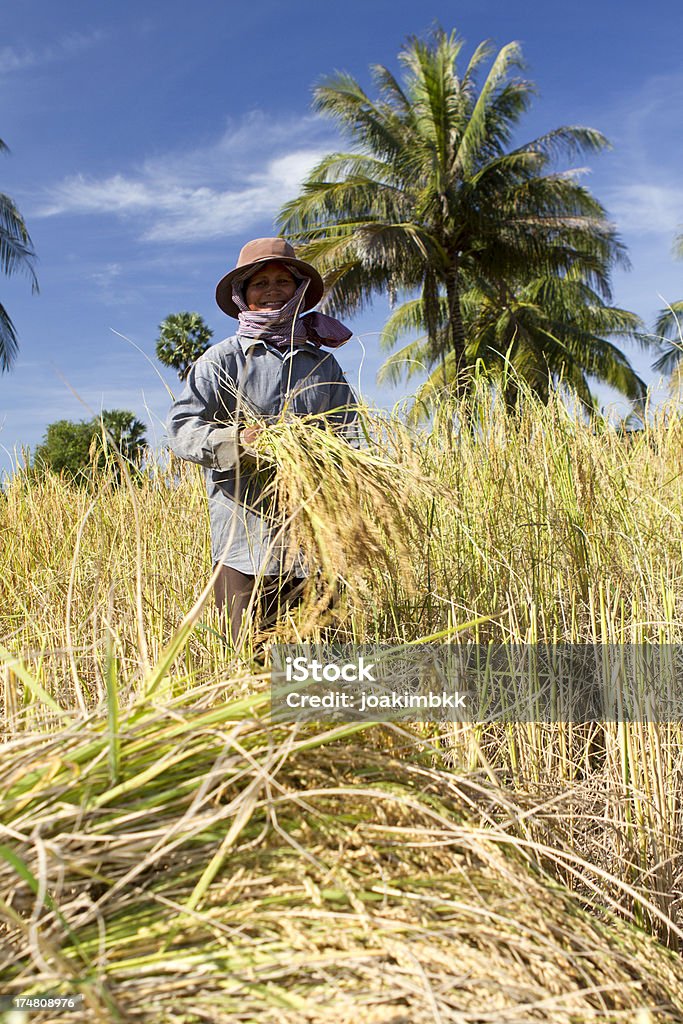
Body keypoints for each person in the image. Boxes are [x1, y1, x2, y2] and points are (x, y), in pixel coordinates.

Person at [166, 237, 357, 647]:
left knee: (320, 656)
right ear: (243, 296)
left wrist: (336, 462)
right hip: (244, 540)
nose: (272, 291)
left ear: (298, 290)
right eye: (260, 283)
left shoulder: (322, 362)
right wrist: (237, 442)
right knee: (249, 658)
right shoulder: (222, 359)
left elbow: (351, 430)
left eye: (282, 282)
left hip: (313, 535)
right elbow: (182, 429)